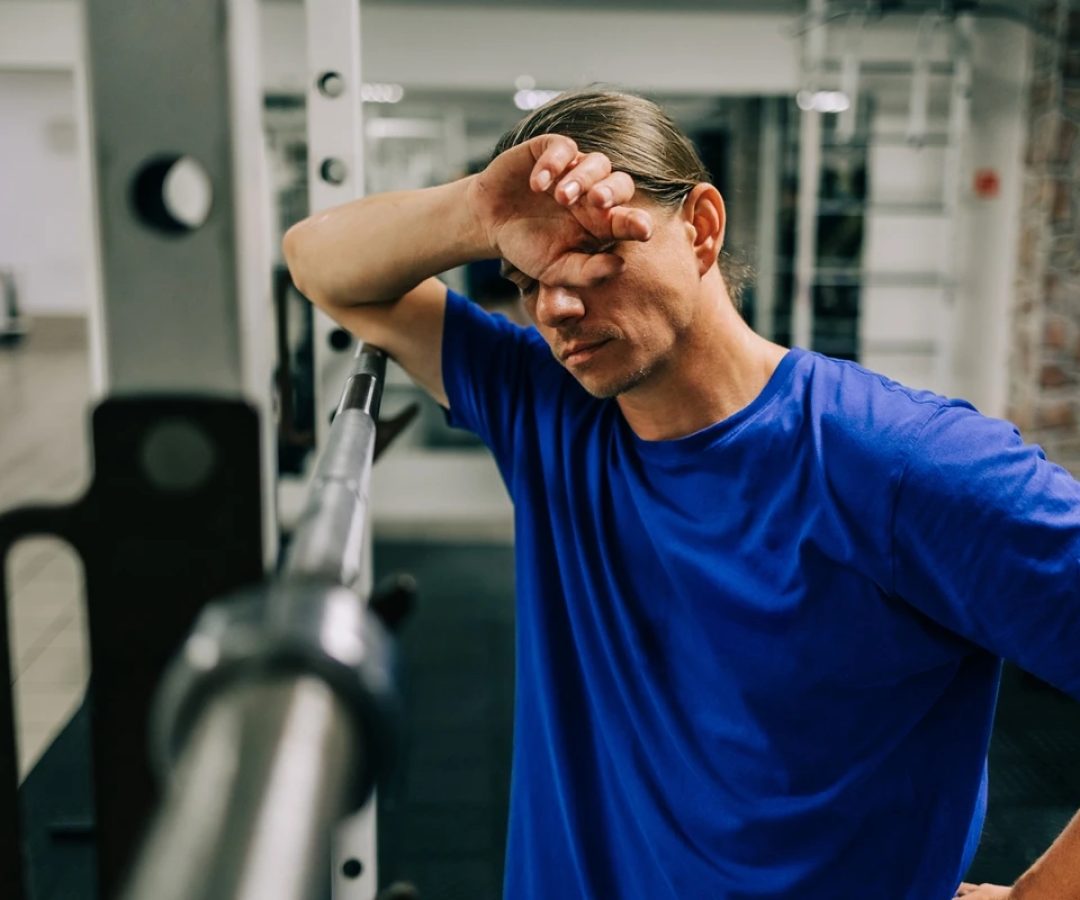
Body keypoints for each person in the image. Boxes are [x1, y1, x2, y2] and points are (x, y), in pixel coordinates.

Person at [283, 88, 1080, 900]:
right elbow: (320, 265)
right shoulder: (548, 409)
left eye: (594, 255)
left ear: (700, 227)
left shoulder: (902, 461)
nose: (556, 306)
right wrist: (479, 206)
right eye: (526, 279)